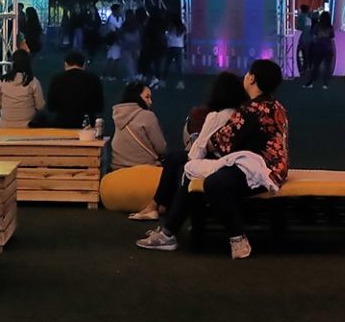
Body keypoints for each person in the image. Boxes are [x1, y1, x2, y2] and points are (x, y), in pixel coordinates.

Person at [137, 59, 288, 260]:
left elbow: (221, 140)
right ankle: (168, 232)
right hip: (270, 169)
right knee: (197, 173)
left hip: (259, 171)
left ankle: (236, 237)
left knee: (211, 181)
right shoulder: (277, 107)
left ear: (252, 78)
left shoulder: (250, 110)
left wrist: (203, 139)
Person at [130, 71, 246, 223]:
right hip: (237, 164)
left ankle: (156, 207)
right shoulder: (243, 115)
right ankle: (158, 207)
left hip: (218, 164)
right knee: (176, 159)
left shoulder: (216, 117)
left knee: (175, 159)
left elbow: (196, 153)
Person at [109, 80, 167, 171]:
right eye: (147, 97)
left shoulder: (118, 115)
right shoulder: (147, 116)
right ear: (136, 97)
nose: (150, 101)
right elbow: (161, 148)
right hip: (144, 169)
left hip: (117, 169)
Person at [44, 50, 105, 130]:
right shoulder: (94, 79)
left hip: (62, 123)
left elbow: (51, 106)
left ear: (66, 64)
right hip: (87, 125)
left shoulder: (57, 79)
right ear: (84, 64)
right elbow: (99, 106)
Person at [0, 50, 44, 128]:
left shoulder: (2, 81)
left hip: (4, 126)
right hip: (27, 126)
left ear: (13, 63)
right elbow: (40, 105)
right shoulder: (33, 81)